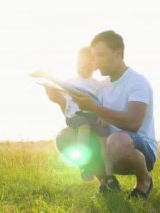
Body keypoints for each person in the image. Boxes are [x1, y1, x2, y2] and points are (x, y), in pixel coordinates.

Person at [54, 30, 157, 199]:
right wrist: (59, 100)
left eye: (100, 55)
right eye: (93, 56)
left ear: (118, 54)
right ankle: (107, 183)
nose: (95, 62)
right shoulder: (101, 86)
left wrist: (95, 108)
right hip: (108, 146)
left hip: (138, 149)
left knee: (117, 140)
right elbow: (79, 114)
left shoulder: (137, 82)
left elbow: (133, 123)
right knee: (65, 136)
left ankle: (144, 181)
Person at [32, 47, 110, 181]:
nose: (82, 67)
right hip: (77, 116)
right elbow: (65, 104)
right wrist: (54, 95)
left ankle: (109, 176)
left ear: (94, 65)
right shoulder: (71, 82)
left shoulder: (99, 85)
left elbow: (103, 103)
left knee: (104, 138)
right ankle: (84, 163)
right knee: (84, 126)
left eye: (86, 64)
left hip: (94, 118)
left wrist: (103, 117)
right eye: (79, 63)